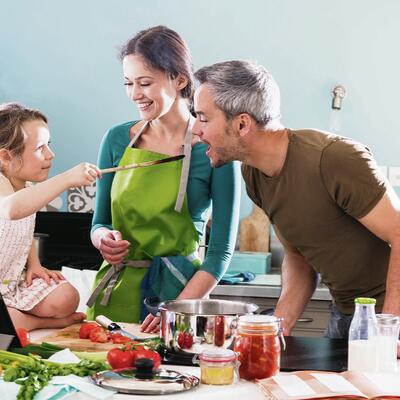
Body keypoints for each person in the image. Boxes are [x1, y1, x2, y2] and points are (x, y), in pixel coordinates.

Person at [192, 60, 400, 342]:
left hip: (390, 317)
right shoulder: (253, 173)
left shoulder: (333, 159)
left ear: (242, 123)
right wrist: (277, 328)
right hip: (346, 315)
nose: (196, 130)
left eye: (204, 118)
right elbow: (299, 256)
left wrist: (389, 330)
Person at [86, 26, 240, 332]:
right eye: (128, 83)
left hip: (179, 300)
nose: (134, 94)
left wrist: (176, 310)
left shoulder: (213, 148)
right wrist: (103, 239)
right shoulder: (117, 139)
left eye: (144, 83)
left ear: (180, 79)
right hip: (113, 299)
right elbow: (99, 222)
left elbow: (220, 252)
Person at [0, 102, 101, 331]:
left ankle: (18, 317)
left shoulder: (26, 187)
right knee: (6, 320)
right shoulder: (2, 184)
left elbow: (23, 234)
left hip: (12, 283)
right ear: (6, 156)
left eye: (49, 145)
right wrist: (66, 178)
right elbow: (11, 210)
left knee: (66, 295)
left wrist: (34, 264)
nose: (50, 155)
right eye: (40, 148)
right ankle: (32, 322)